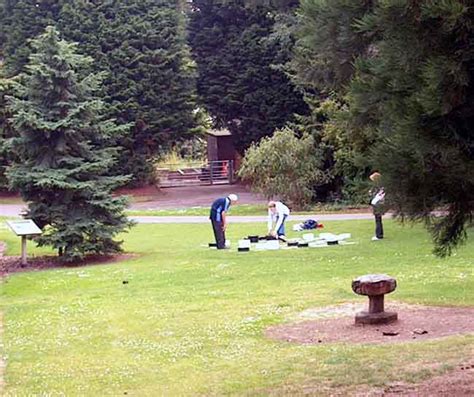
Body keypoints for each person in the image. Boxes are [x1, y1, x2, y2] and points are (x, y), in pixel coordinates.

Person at [369, 172, 385, 241]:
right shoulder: (382, 186)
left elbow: (375, 195)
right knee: (379, 220)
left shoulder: (377, 187)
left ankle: (379, 235)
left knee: (378, 220)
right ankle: (380, 234)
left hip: (377, 203)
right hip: (379, 203)